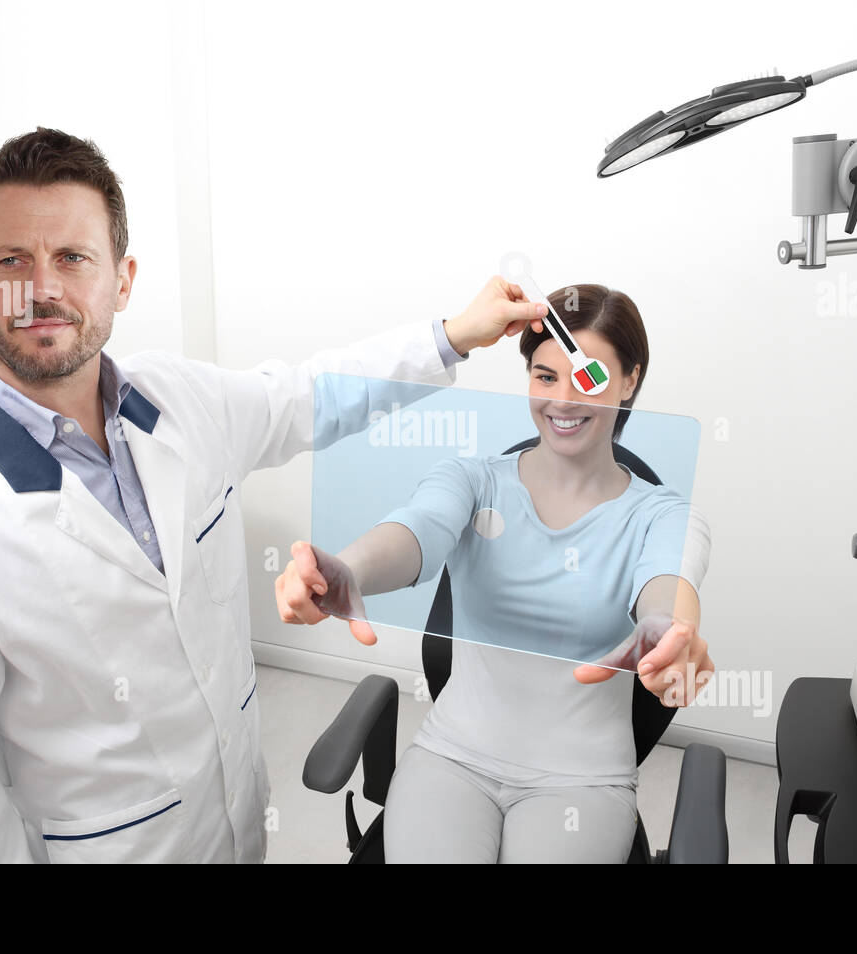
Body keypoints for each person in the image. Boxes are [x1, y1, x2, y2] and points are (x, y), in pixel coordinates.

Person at [0, 126, 547, 863]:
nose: (41, 289)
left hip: (236, 828)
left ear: (122, 277)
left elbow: (309, 397)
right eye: (12, 260)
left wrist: (454, 336)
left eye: (72, 258)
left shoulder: (176, 400)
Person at [275, 283, 713, 863]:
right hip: (453, 755)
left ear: (630, 380)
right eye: (544, 375)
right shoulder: (473, 480)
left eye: (587, 377)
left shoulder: (664, 515)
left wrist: (668, 633)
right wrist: (347, 570)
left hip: (581, 779)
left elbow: (669, 588)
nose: (561, 400)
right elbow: (416, 531)